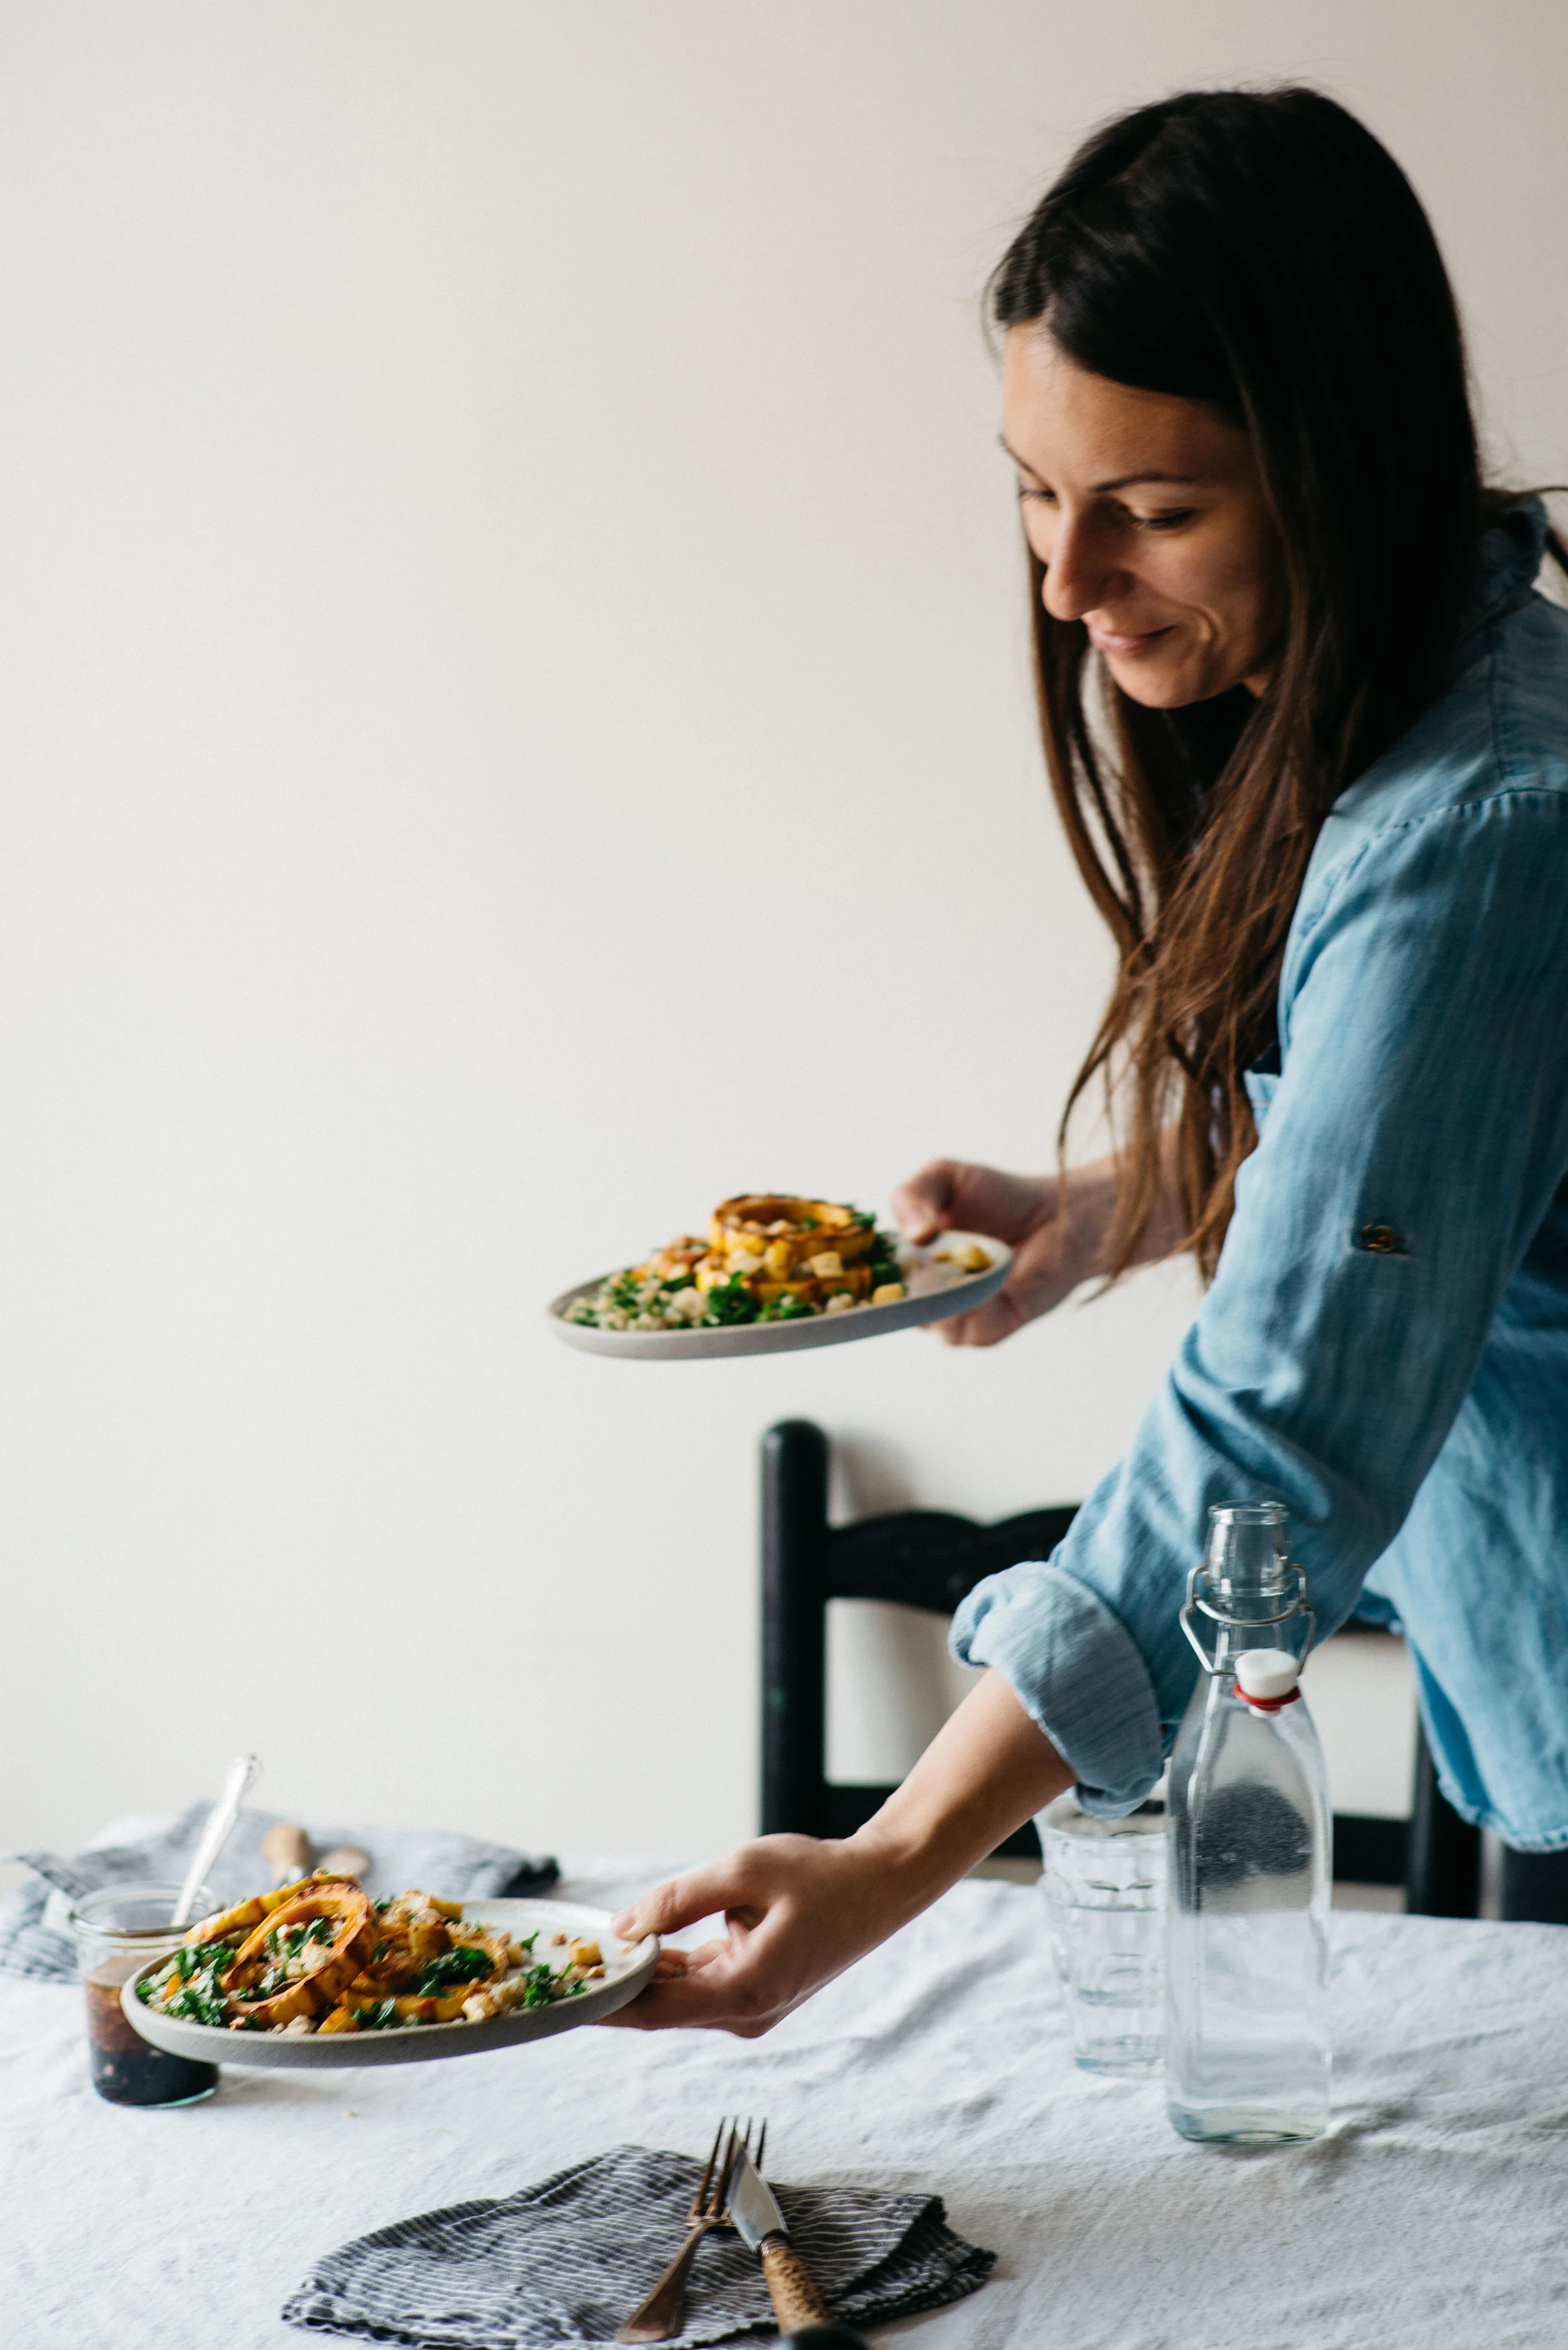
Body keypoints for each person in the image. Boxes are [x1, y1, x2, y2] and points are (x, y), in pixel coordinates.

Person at [609, 85, 1568, 2034]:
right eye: (1035, 491)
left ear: (1341, 465)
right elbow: (1442, 1150)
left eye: (1152, 507)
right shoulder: (1399, 718)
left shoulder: (1477, 828)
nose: (1064, 580)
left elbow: (1279, 1412)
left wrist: (893, 1860)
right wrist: (1100, 1208)